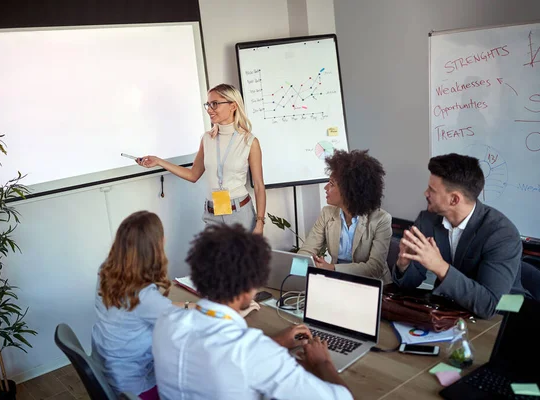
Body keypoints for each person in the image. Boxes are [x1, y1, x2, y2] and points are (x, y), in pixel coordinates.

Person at [152, 224, 353, 400]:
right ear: (250, 289)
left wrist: (276, 343)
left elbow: (231, 360)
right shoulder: (252, 352)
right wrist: (323, 362)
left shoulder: (166, 322)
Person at [394, 153, 528, 319]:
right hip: (451, 311)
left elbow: (490, 305)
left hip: (505, 318)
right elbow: (408, 286)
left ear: (454, 199)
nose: (425, 193)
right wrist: (403, 264)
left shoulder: (502, 234)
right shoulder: (426, 220)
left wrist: (439, 266)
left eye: (432, 190)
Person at [91, 211, 196, 399]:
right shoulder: (145, 296)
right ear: (157, 245)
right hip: (134, 388)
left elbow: (160, 310)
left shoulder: (106, 272)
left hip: (108, 374)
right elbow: (188, 328)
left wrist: (188, 306)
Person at [137, 83, 266, 234]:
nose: (210, 110)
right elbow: (193, 175)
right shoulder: (207, 139)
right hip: (212, 214)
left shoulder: (249, 141)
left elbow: (258, 185)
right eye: (208, 105)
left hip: (240, 213)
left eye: (215, 104)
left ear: (233, 106)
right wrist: (159, 161)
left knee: (242, 258)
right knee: (211, 258)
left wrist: (260, 222)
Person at [298, 149, 392, 283]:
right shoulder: (327, 213)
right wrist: (296, 272)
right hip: (338, 282)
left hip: (372, 286)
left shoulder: (381, 220)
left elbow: (374, 268)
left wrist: (332, 268)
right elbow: (306, 251)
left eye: (331, 184)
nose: (325, 188)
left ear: (349, 190)